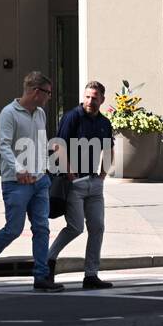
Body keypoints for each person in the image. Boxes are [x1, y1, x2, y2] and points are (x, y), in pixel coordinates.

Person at [0, 71, 63, 292]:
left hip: (40, 181)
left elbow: (42, 144)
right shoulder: (9, 113)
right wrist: (19, 169)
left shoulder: (40, 114)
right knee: (14, 229)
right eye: (48, 93)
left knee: (42, 229)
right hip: (16, 182)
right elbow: (4, 146)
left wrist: (45, 171)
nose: (49, 97)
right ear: (36, 92)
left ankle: (41, 277)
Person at [47, 80, 114, 289]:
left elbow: (109, 148)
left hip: (94, 183)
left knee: (98, 228)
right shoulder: (72, 117)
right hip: (73, 183)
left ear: (102, 99)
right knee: (75, 227)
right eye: (87, 96)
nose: (90, 101)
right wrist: (70, 174)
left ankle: (91, 275)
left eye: (95, 98)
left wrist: (103, 173)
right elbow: (58, 145)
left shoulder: (104, 122)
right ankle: (48, 261)